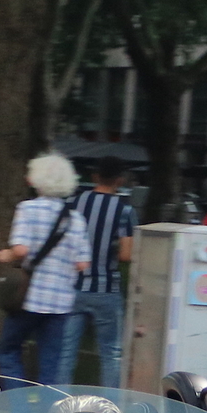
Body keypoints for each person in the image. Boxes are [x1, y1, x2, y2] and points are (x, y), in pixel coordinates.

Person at [0, 153, 92, 385]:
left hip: (28, 297)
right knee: (51, 363)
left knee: (8, 349)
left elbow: (21, 250)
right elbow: (82, 263)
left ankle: (19, 408)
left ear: (35, 179)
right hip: (60, 303)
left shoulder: (27, 209)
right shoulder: (75, 219)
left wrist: (5, 255)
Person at [55, 156, 138, 387]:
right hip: (106, 289)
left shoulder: (73, 203)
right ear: (120, 180)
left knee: (65, 352)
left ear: (94, 176)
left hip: (73, 288)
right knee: (111, 353)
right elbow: (126, 255)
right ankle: (109, 408)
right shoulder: (124, 210)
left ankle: (57, 402)